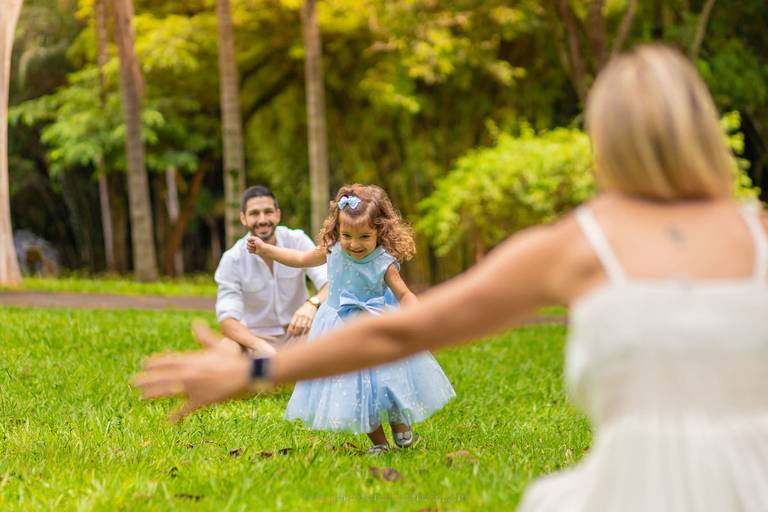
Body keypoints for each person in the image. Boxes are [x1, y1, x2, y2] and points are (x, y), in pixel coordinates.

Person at [135, 44, 768, 510]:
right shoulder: (756, 235)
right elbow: (395, 324)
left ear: (603, 143)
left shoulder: (576, 246)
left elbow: (401, 334)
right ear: (706, 134)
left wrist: (256, 369)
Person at [247, 183, 455, 453]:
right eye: (346, 235)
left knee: (388, 380)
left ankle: (400, 422)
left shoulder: (383, 261)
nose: (354, 244)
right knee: (356, 392)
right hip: (337, 328)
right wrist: (265, 250)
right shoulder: (332, 250)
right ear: (337, 230)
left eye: (364, 237)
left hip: (376, 324)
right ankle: (379, 444)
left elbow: (404, 295)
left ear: (380, 232)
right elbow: (299, 258)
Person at [214, 185, 328, 356]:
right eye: (254, 213)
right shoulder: (232, 259)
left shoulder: (297, 240)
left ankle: (287, 368)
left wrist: (312, 304)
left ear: (278, 214)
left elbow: (331, 282)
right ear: (243, 218)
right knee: (226, 348)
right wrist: (259, 345)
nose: (262, 220)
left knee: (333, 333)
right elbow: (227, 321)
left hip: (299, 335)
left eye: (268, 212)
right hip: (255, 339)